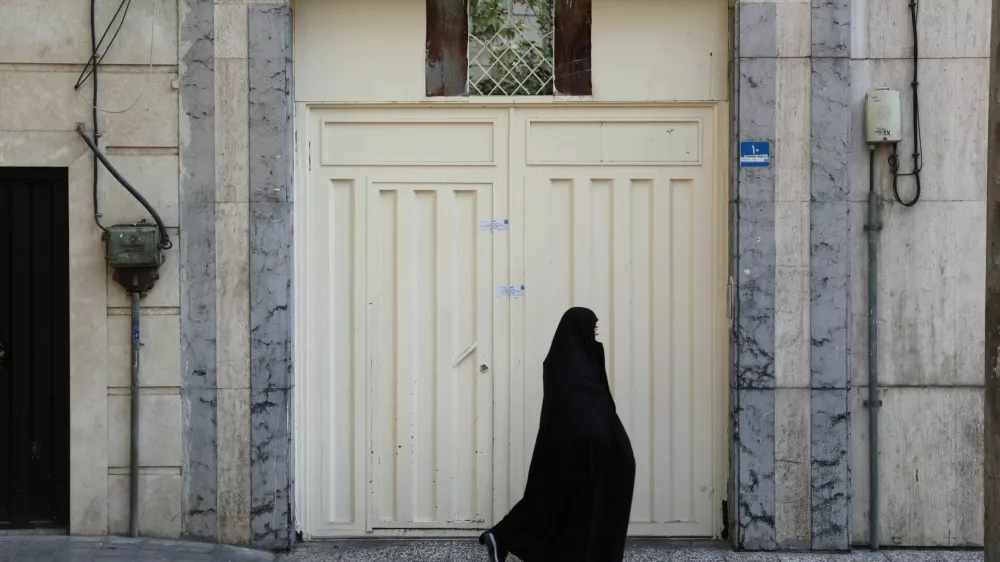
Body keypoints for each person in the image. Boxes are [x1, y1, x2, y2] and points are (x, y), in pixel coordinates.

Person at [480, 307, 636, 562]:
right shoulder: (564, 364)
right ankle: (504, 537)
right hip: (571, 448)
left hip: (580, 446)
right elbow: (576, 410)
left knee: (553, 500)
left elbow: (600, 406)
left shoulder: (580, 359)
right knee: (554, 502)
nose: (596, 336)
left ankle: (502, 536)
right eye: (592, 330)